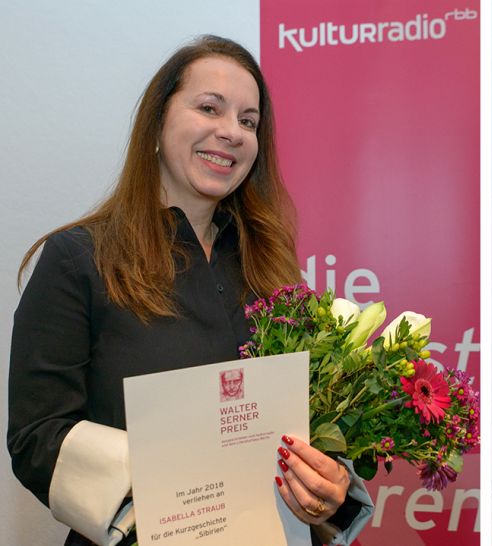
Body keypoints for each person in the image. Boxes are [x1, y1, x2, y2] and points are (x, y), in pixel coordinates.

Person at [7, 35, 371, 546]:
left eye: (248, 121)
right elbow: (37, 436)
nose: (231, 133)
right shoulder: (79, 259)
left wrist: (328, 489)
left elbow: (310, 425)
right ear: (157, 122)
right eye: (209, 108)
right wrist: (167, 502)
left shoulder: (275, 272)